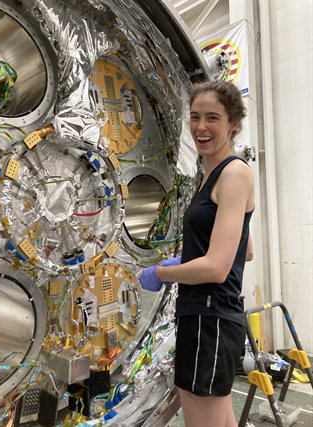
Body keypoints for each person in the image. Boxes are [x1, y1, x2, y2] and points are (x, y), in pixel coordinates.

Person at [140, 80, 255, 427]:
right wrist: (190, 260)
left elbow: (219, 268)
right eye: (194, 117)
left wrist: (162, 272)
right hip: (208, 316)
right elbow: (245, 250)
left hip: (210, 318)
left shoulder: (233, 173)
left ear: (233, 122)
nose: (201, 127)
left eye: (212, 118)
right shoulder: (210, 173)